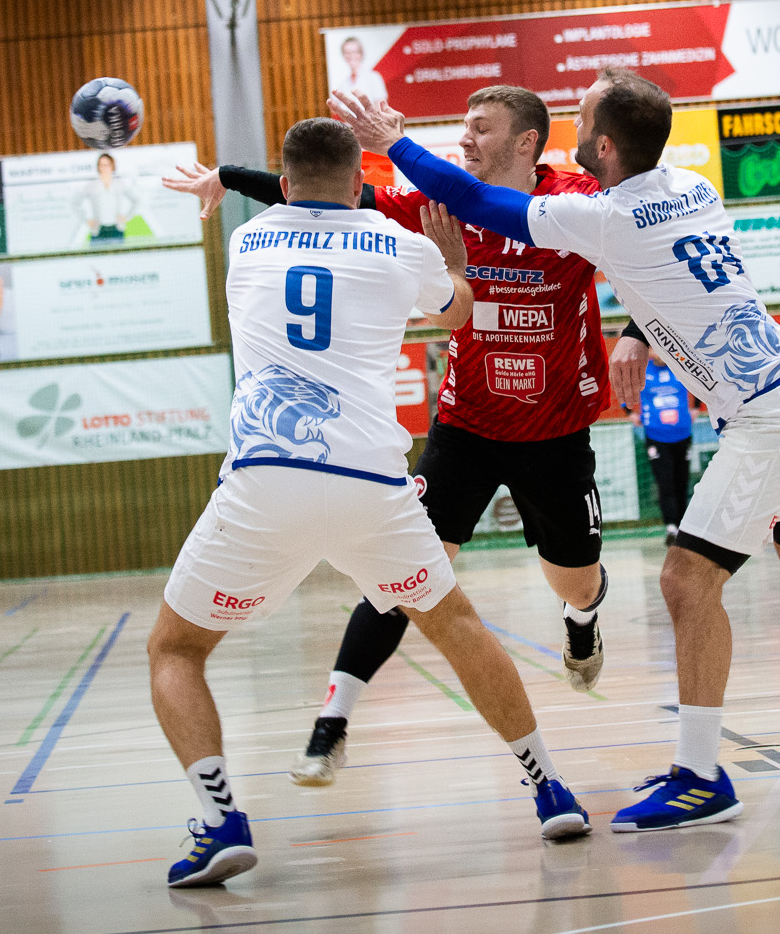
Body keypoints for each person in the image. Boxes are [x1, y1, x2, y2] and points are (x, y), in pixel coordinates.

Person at [331, 71, 780, 834]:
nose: (572, 127)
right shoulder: (692, 187)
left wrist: (392, 142)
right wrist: (637, 333)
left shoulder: (605, 218)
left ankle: (701, 777)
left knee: (686, 580)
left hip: (768, 418)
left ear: (603, 144)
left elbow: (474, 201)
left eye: (580, 118)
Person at [147, 117, 588, 889]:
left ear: (285, 186)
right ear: (359, 184)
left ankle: (221, 820)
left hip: (266, 478)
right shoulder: (399, 244)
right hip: (371, 483)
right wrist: (454, 266)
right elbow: (457, 312)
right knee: (456, 626)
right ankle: (549, 786)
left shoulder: (246, 245)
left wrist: (227, 177)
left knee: (176, 649)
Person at [636, 354, 697, 546]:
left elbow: (699, 384)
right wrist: (629, 413)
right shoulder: (643, 369)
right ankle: (671, 526)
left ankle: (683, 527)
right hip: (656, 435)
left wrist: (696, 407)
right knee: (665, 482)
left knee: (682, 481)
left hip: (682, 433)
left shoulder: (679, 366)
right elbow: (621, 386)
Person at [72, 151, 140, 242]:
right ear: (98, 167)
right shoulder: (92, 185)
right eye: (101, 165)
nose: (104, 168)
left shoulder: (119, 184)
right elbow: (75, 203)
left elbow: (137, 201)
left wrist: (127, 217)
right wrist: (85, 219)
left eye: (107, 165)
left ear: (112, 166)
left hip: (117, 229)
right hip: (98, 230)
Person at [335, 36, 389, 104]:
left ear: (361, 53)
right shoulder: (343, 84)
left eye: (354, 52)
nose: (351, 55)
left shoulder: (374, 77)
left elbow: (381, 105)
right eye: (347, 53)